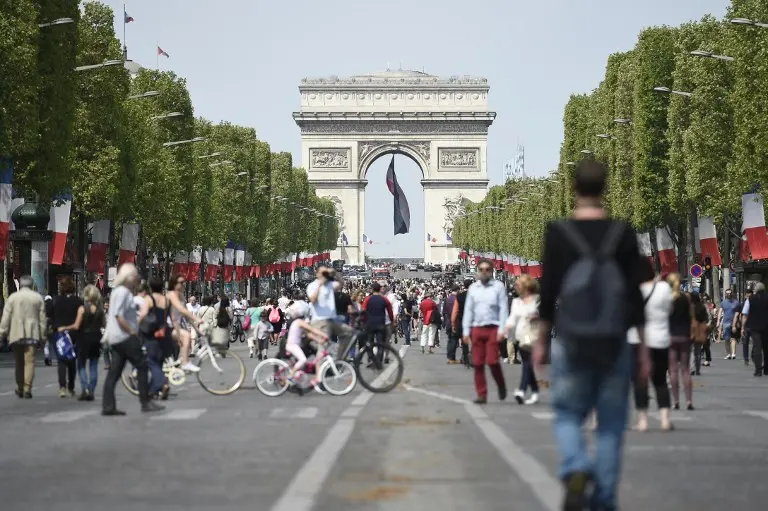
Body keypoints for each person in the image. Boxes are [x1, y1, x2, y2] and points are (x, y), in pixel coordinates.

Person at [533, 159, 647, 511]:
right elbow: (635, 296)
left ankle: (576, 466)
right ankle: (604, 502)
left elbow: (548, 292)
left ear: (573, 187)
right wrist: (643, 348)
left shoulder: (558, 232)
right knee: (610, 426)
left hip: (572, 338)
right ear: (605, 187)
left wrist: (541, 340)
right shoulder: (623, 232)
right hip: (614, 339)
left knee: (567, 414)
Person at [102, 264, 164, 415]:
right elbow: (118, 315)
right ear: (128, 277)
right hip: (125, 337)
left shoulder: (119, 291)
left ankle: (108, 406)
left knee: (114, 372)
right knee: (142, 366)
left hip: (118, 337)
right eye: (136, 275)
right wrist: (131, 332)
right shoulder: (123, 292)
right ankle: (145, 402)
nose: (138, 278)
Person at [628, 257, 673, 432]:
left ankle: (643, 420)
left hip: (636, 340)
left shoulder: (632, 290)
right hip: (660, 339)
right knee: (660, 380)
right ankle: (665, 419)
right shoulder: (663, 288)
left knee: (640, 381)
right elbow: (670, 309)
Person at [462, 260, 508, 404]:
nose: (484, 272)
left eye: (487, 269)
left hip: (493, 328)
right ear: (477, 271)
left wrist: (502, 329)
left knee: (493, 361)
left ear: (491, 271)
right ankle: (481, 394)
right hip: (477, 328)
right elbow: (468, 310)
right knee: (477, 363)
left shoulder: (498, 287)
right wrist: (465, 331)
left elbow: (503, 309)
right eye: (481, 269)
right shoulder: (473, 289)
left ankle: (501, 384)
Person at [0, 275, 47, 399]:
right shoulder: (37, 298)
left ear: (20, 285)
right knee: (29, 362)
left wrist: (2, 332)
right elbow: (42, 320)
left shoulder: (13, 298)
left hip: (16, 334)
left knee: (19, 362)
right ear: (31, 285)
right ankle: (27, 388)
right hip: (32, 334)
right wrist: (43, 336)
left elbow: (6, 317)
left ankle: (19, 386)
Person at [58, 284, 105, 401]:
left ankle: (85, 388)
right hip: (96, 338)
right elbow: (104, 325)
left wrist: (64, 328)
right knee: (93, 365)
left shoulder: (82, 309)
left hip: (84, 338)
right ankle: (91, 390)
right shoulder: (100, 310)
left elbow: (76, 325)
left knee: (81, 364)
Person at [505, 274, 540, 405]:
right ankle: (535, 391)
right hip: (521, 335)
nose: (517, 287)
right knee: (527, 363)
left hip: (533, 334)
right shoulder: (516, 301)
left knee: (527, 363)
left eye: (519, 284)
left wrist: (536, 316)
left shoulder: (537, 299)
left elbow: (543, 314)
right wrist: (507, 327)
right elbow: (512, 317)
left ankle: (521, 390)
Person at [138, 277, 172, 400]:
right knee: (159, 362)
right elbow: (172, 317)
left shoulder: (149, 299)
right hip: (165, 333)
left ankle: (163, 382)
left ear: (150, 287)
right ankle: (153, 391)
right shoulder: (167, 300)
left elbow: (143, 315)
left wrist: (136, 326)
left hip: (152, 334)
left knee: (150, 361)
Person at [307, 266, 353, 356]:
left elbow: (341, 284)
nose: (325, 275)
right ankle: (320, 364)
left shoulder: (329, 284)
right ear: (317, 274)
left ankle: (339, 358)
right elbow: (313, 300)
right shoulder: (312, 285)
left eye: (326, 273)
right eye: (323, 273)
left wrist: (335, 273)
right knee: (323, 348)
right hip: (320, 321)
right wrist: (320, 285)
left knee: (349, 332)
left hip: (331, 320)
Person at [284, 301, 329, 387]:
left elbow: (309, 334)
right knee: (303, 360)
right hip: (292, 346)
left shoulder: (297, 322)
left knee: (302, 362)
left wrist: (319, 340)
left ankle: (296, 375)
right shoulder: (299, 322)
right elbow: (312, 330)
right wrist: (324, 335)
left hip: (294, 345)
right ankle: (290, 377)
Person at [52, 277, 82, 397]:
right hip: (74, 333)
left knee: (61, 360)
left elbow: (50, 315)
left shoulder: (56, 301)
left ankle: (62, 387)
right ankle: (71, 386)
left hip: (60, 333)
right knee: (72, 360)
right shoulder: (78, 301)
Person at [667, 273, 693, 410]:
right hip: (684, 335)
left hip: (671, 336)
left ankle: (675, 401)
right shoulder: (685, 298)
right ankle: (688, 400)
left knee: (673, 370)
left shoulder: (667, 298)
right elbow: (691, 316)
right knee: (685, 369)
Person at [362, 282, 395, 357]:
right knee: (381, 343)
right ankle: (379, 359)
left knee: (370, 342)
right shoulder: (384, 299)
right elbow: (390, 312)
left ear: (372, 289)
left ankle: (371, 358)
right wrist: (392, 321)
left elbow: (363, 310)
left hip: (370, 323)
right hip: (381, 323)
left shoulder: (368, 299)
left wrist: (363, 320)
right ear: (379, 289)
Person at [742, 282, 768, 377]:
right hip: (766, 326)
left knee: (757, 348)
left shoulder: (750, 299)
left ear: (756, 290)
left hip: (754, 326)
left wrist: (743, 327)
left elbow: (745, 314)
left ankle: (758, 370)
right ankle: (766, 369)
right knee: (766, 348)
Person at [451, 279, 473, 367]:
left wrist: (453, 323)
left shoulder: (459, 296)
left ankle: (466, 357)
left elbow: (455, 311)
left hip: (463, 321)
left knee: (464, 341)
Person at [718, 288, 740, 360]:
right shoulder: (723, 303)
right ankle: (728, 354)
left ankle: (733, 354)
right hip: (725, 322)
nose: (729, 294)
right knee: (726, 339)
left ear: (732, 293)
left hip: (733, 323)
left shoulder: (736, 302)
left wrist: (738, 322)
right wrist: (718, 321)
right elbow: (720, 312)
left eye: (730, 293)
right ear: (725, 294)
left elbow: (738, 313)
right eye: (727, 293)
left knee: (733, 338)